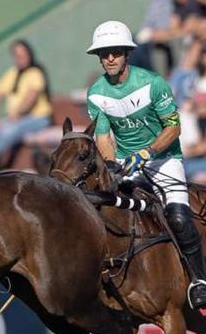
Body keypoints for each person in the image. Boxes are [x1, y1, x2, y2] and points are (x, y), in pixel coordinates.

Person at [84, 19, 206, 310]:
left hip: (164, 160)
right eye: (104, 53)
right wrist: (112, 163)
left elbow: (173, 128)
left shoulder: (153, 83)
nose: (110, 57)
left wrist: (147, 153)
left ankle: (199, 280)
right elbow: (103, 137)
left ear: (126, 53)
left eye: (115, 51)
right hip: (127, 163)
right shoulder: (96, 93)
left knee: (177, 217)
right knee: (105, 210)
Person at [0, 40, 53, 169]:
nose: (21, 58)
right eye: (18, 55)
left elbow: (31, 99)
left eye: (24, 54)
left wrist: (16, 115)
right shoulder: (12, 73)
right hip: (16, 119)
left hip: (37, 119)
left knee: (8, 131)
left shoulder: (35, 72)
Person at [129, 0, 175, 76]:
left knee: (138, 50)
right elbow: (149, 21)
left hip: (157, 37)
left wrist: (150, 33)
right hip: (148, 36)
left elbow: (166, 23)